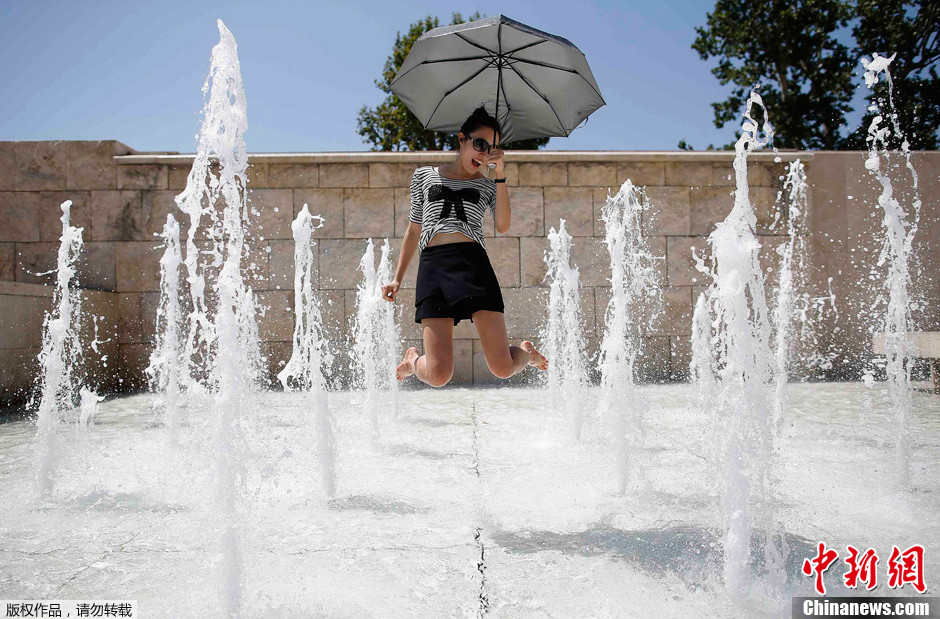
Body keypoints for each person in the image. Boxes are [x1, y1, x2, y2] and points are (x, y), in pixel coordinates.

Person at [381, 105, 549, 386]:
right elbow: (414, 228)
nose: (484, 153)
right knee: (438, 375)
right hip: (434, 267)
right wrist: (397, 278)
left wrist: (500, 174)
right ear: (462, 139)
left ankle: (526, 353)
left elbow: (504, 225)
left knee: (503, 368)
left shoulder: (487, 184)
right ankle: (413, 362)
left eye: (492, 148)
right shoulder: (424, 175)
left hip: (473, 265)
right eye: (480, 144)